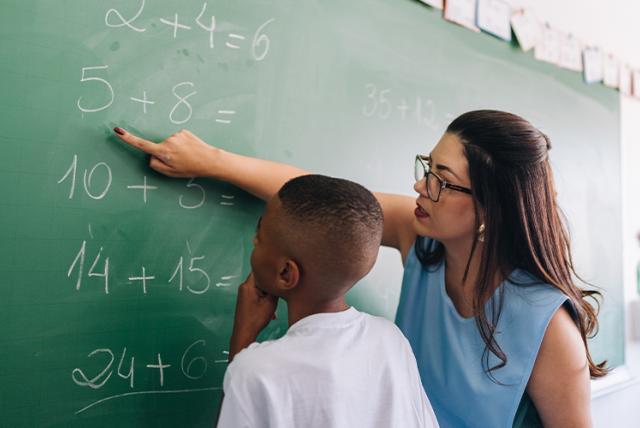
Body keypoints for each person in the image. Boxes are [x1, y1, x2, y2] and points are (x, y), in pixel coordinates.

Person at [113, 109, 607, 427]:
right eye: (426, 167)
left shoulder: (547, 328)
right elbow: (326, 202)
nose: (420, 187)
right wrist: (211, 161)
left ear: (491, 210)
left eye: (442, 180)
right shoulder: (425, 242)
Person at [215, 174, 438, 427]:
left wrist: (242, 339)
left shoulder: (257, 370)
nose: (254, 240)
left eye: (260, 237)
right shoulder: (391, 340)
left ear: (286, 274)